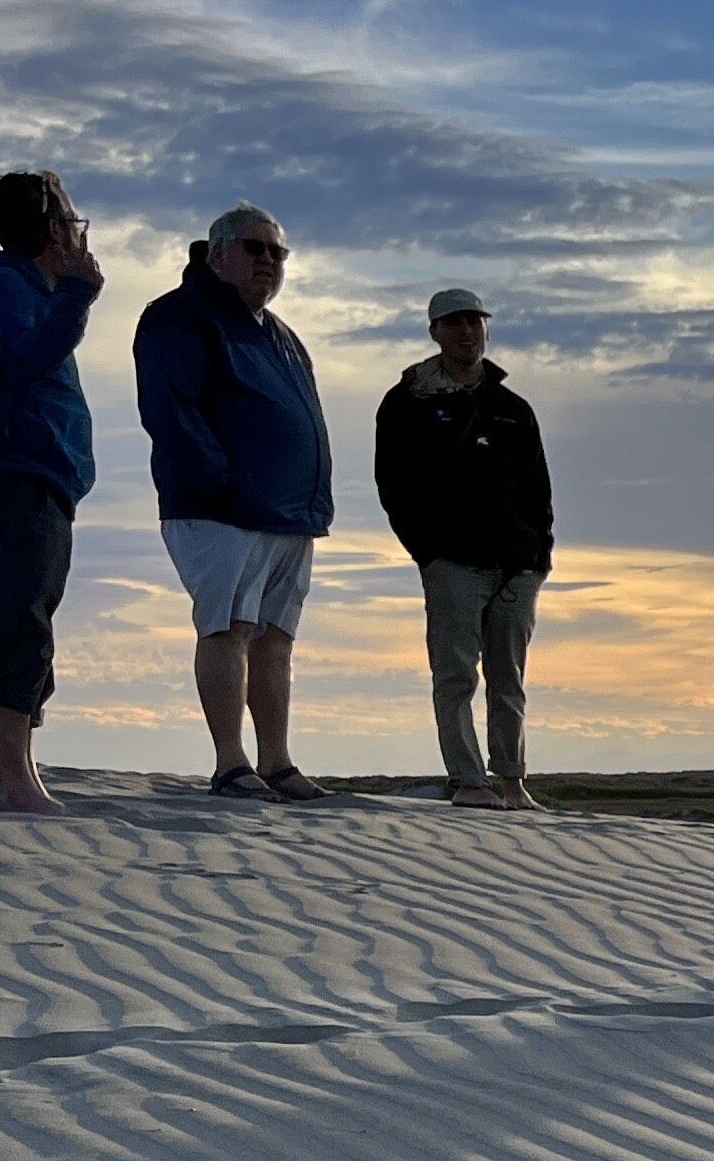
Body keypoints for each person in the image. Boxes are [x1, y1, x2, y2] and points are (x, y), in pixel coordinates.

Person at [134, 202, 335, 800]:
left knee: (275, 638)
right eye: (255, 248)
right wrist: (220, 478)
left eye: (277, 252)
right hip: (220, 509)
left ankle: (277, 762)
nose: (268, 261)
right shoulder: (179, 315)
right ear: (217, 253)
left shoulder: (282, 335)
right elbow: (170, 408)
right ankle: (231, 763)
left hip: (289, 513)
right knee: (228, 628)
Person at [0, 170, 105, 815]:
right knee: (18, 625)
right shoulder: (2, 287)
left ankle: (23, 775)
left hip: (35, 481)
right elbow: (23, 360)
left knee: (29, 619)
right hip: (7, 480)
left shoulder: (25, 288)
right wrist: (78, 296)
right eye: (70, 220)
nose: (78, 233)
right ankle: (14, 781)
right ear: (49, 228)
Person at [375, 288, 555, 810]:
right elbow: (394, 486)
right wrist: (427, 553)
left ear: (487, 329)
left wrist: (538, 559)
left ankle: (512, 782)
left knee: (508, 679)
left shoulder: (512, 408)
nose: (466, 331)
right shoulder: (407, 402)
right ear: (434, 331)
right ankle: (469, 781)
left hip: (516, 568)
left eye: (474, 322)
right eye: (454, 323)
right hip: (452, 563)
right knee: (455, 676)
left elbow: (539, 492)